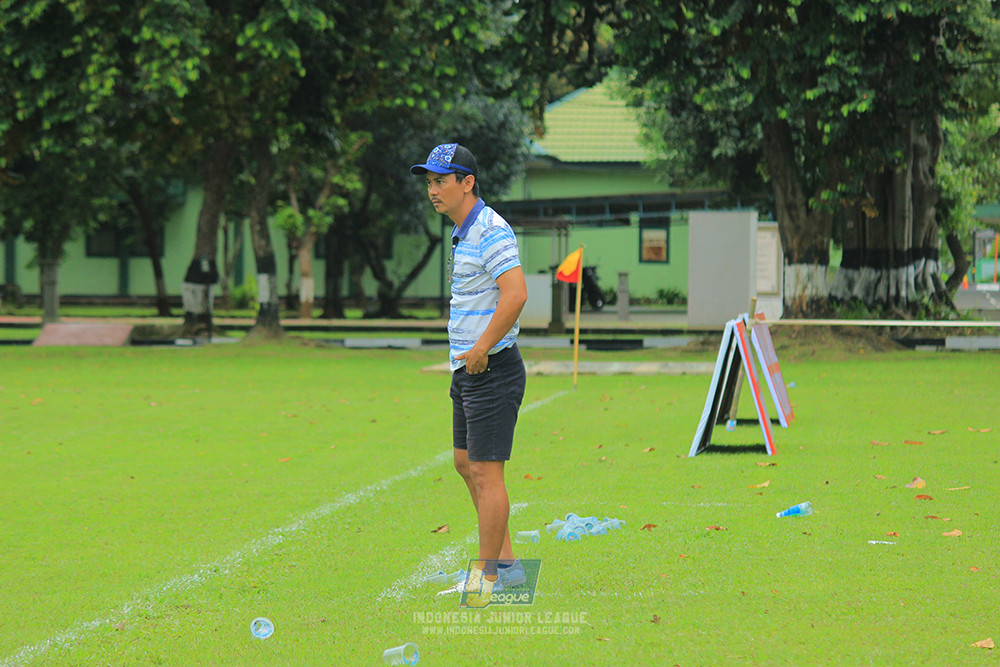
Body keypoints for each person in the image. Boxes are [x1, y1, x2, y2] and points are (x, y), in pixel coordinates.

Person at [410, 143, 528, 606]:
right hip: (469, 368)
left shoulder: (490, 230)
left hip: (491, 368)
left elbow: (515, 295)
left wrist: (480, 349)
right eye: (429, 182)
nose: (432, 190)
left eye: (441, 181)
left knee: (485, 472)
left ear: (467, 183)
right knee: (466, 464)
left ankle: (488, 578)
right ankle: (509, 566)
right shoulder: (464, 230)